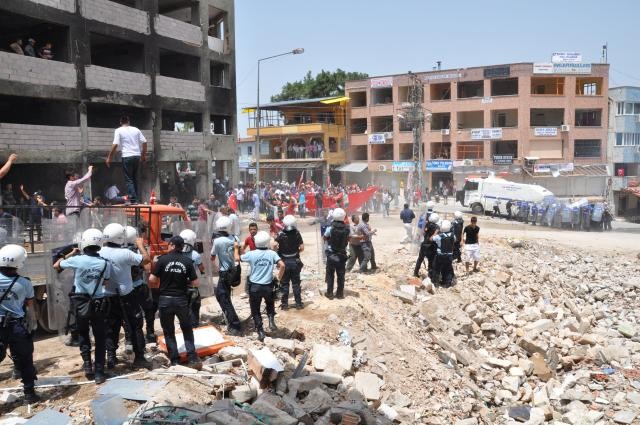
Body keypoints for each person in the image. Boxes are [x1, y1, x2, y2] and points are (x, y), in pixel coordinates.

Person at [54, 229, 111, 383]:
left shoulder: (77, 260)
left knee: (83, 334)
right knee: (100, 337)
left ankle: (87, 365)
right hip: (99, 304)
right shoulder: (105, 263)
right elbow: (106, 282)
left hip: (80, 303)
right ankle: (99, 372)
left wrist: (71, 253)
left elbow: (56, 265)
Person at [101, 223, 151, 370]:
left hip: (108, 295)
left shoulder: (100, 251)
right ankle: (139, 357)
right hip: (127, 295)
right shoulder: (125, 253)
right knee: (135, 326)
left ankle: (111, 357)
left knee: (111, 327)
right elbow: (146, 260)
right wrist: (141, 245)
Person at [149, 236, 201, 368]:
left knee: (168, 330)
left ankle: (175, 359)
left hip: (165, 300)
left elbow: (152, 280)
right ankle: (192, 357)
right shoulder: (187, 261)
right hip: (181, 300)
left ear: (171, 245)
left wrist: (162, 285)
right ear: (182, 246)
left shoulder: (162, 260)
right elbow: (195, 283)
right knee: (187, 328)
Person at [0, 244, 40, 402]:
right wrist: (32, 326)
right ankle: (29, 394)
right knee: (25, 358)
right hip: (16, 326)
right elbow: (30, 305)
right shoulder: (25, 283)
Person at [240, 231, 284, 341]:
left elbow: (237, 258)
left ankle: (260, 331)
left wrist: (236, 249)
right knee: (269, 302)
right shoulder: (272, 253)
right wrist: (278, 278)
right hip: (268, 286)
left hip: (255, 287)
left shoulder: (252, 254)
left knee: (255, 309)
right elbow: (282, 265)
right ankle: (271, 321)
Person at [124, 226, 156, 344]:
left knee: (127, 314)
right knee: (148, 309)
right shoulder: (136, 251)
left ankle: (129, 339)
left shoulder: (118, 251)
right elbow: (148, 268)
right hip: (138, 286)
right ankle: (150, 333)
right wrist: (142, 247)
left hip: (124, 289)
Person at [210, 216, 241, 336]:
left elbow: (212, 257)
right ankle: (228, 317)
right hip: (234, 272)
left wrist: (217, 267)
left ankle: (235, 324)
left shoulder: (217, 241)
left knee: (222, 297)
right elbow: (239, 253)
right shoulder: (235, 238)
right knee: (224, 295)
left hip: (224, 272)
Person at [106, 116, 147, 204]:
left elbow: (115, 144)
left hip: (127, 156)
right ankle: (136, 199)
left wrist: (109, 157)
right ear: (129, 121)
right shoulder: (136, 129)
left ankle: (133, 200)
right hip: (136, 156)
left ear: (120, 122)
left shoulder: (118, 130)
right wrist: (143, 155)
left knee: (129, 179)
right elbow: (144, 141)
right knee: (134, 178)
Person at [275, 215, 304, 310]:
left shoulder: (281, 234)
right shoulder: (297, 233)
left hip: (284, 263)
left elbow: (274, 245)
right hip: (295, 262)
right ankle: (299, 304)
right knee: (296, 284)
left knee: (285, 284)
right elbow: (302, 248)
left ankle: (284, 305)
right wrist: (295, 253)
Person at [179, 229, 205, 327]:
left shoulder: (176, 253)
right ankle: (194, 324)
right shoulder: (195, 255)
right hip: (192, 284)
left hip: (179, 284)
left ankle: (184, 323)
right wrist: (203, 273)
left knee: (183, 305)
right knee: (195, 304)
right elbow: (201, 268)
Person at [323, 208, 350, 299]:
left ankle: (330, 293)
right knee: (341, 275)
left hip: (331, 254)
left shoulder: (330, 228)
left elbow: (325, 237)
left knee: (330, 274)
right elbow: (348, 239)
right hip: (342, 254)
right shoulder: (347, 228)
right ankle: (340, 294)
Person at [430, 220, 456, 287]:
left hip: (440, 255)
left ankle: (435, 282)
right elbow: (455, 241)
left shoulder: (439, 236)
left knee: (436, 268)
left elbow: (431, 239)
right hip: (449, 255)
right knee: (447, 269)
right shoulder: (453, 236)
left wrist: (436, 232)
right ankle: (447, 283)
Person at [414, 213, 439, 278]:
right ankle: (430, 275)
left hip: (424, 244)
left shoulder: (426, 224)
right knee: (431, 260)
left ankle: (415, 272)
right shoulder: (437, 227)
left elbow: (423, 232)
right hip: (431, 246)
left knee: (420, 259)